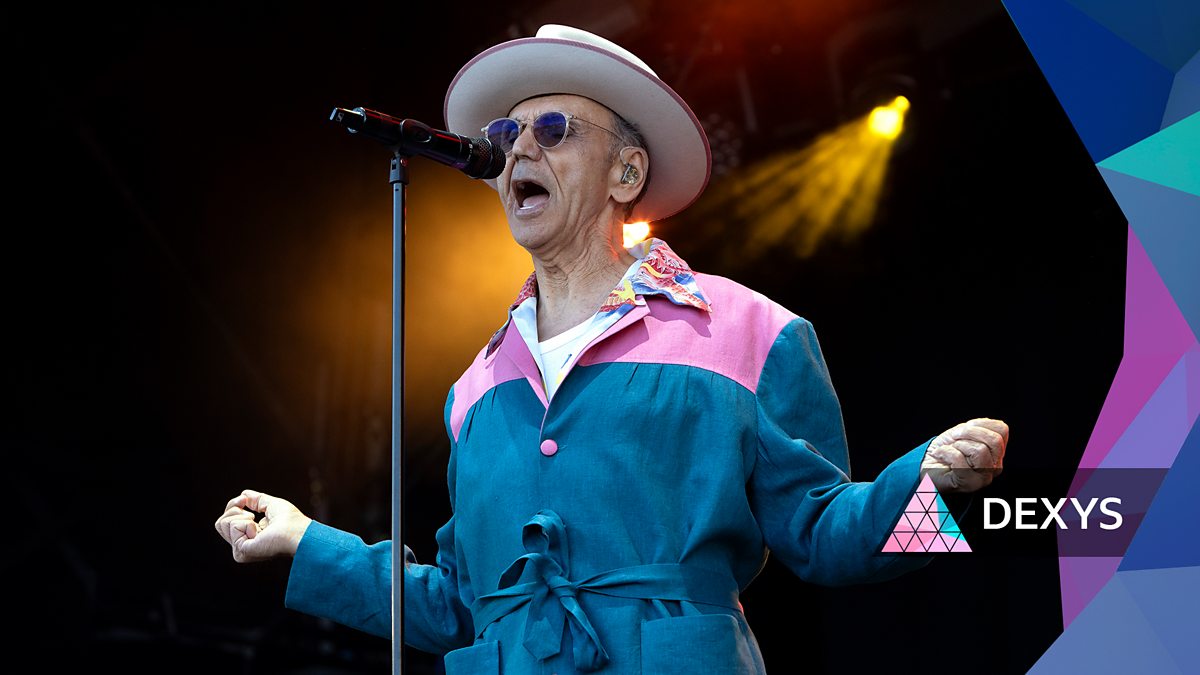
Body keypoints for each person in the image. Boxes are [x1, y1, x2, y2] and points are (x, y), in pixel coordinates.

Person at [215, 24, 1008, 674]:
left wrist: (930, 490)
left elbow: (827, 535)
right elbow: (458, 603)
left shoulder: (749, 330)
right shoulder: (476, 388)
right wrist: (305, 540)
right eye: (505, 134)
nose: (518, 152)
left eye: (553, 130)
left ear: (627, 171)